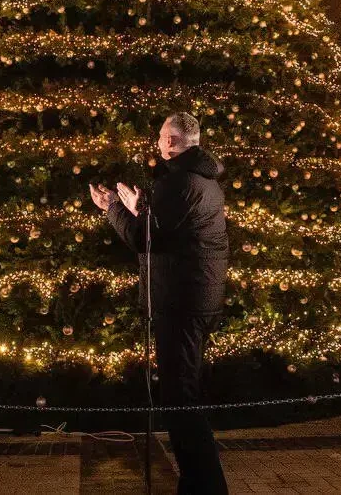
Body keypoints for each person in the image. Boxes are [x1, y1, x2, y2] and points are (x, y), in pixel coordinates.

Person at [90, 111, 229, 495]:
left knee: (180, 399)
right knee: (186, 394)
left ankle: (205, 486)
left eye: (163, 137)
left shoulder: (179, 181)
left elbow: (144, 240)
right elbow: (168, 232)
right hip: (197, 298)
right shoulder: (202, 180)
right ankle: (198, 483)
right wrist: (139, 208)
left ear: (170, 142)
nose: (160, 144)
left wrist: (112, 210)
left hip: (180, 302)